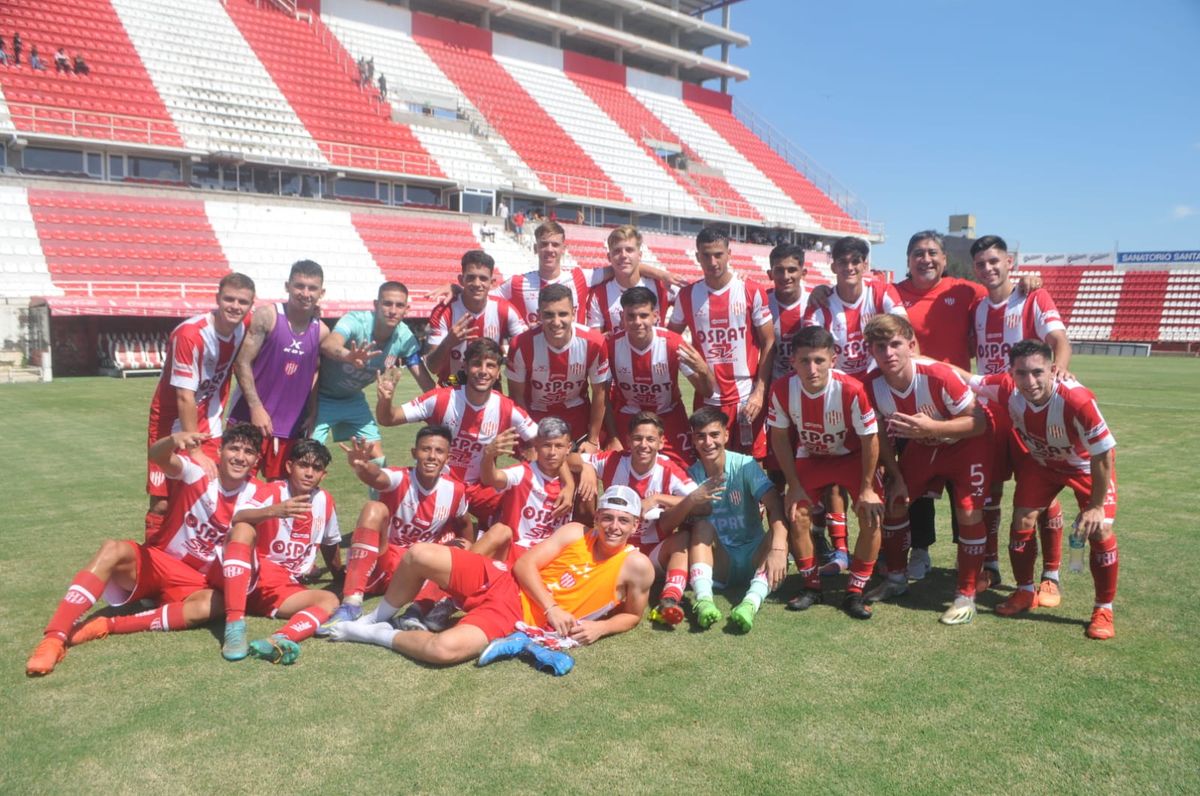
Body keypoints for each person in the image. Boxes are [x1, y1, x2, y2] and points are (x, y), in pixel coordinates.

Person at [327, 486, 655, 675]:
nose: (614, 527)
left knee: (443, 650)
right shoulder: (575, 532)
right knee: (419, 554)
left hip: (516, 617)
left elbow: (632, 615)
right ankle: (376, 617)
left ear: (635, 525)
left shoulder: (637, 566)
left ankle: (373, 634)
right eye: (607, 518)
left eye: (623, 521)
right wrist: (551, 607)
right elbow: (524, 565)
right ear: (596, 518)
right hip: (505, 582)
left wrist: (600, 627)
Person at [25, 424, 264, 676]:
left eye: (248, 452)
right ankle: (53, 639)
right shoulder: (199, 472)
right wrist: (173, 440)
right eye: (234, 448)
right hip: (158, 561)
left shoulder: (262, 493)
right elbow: (157, 456)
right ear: (220, 451)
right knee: (112, 549)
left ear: (256, 460)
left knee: (214, 604)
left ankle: (109, 624)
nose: (240, 457)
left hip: (196, 583)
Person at [969, 340, 1119, 639]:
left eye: (1038, 372)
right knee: (1022, 519)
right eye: (1022, 373)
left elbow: (1103, 455)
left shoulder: (1077, 400)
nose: (1030, 381)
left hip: (1084, 467)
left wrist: (1095, 506)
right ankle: (1025, 591)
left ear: (1053, 369)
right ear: (1011, 373)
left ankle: (1104, 608)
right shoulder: (1006, 389)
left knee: (1100, 529)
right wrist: (914, 358)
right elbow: (963, 377)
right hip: (1043, 465)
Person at [861, 314, 992, 625]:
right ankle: (896, 579)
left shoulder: (938, 375)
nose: (888, 353)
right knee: (895, 500)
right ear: (871, 351)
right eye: (880, 347)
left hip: (966, 446)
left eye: (895, 344)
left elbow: (979, 423)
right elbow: (879, 435)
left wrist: (933, 427)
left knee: (968, 512)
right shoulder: (871, 385)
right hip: (924, 445)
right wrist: (896, 475)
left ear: (911, 346)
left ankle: (966, 595)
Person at [969, 235, 1072, 598]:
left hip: (1030, 414)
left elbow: (1059, 341)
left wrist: (1058, 375)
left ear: (1009, 262)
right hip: (992, 414)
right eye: (981, 264)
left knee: (1043, 493)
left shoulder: (1033, 297)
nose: (988, 268)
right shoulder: (977, 308)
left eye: (994, 261)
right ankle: (991, 567)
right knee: (990, 493)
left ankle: (1051, 575)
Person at [378, 338, 567, 524]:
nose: (483, 371)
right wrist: (385, 401)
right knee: (427, 530)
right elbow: (388, 418)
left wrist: (569, 483)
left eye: (490, 365)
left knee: (516, 508)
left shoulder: (506, 408)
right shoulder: (441, 399)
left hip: (479, 488)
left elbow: (547, 442)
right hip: (439, 484)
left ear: (498, 372)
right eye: (477, 364)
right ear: (466, 367)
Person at [767, 327, 885, 619]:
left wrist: (867, 487)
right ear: (793, 361)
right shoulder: (781, 389)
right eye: (804, 361)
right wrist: (793, 485)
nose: (812, 369)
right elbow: (779, 437)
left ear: (833, 359)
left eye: (819, 360)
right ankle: (811, 586)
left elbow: (870, 438)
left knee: (871, 515)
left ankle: (855, 590)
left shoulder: (851, 389)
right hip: (812, 457)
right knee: (797, 513)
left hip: (851, 458)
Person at [318, 425, 473, 634]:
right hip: (384, 564)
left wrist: (468, 553)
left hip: (418, 571)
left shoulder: (455, 490)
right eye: (425, 449)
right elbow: (377, 477)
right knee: (374, 508)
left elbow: (464, 524)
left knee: (464, 545)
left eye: (439, 451)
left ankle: (418, 610)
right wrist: (362, 466)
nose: (431, 456)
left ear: (448, 457)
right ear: (414, 453)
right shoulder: (400, 477)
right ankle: (351, 604)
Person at [207, 439, 342, 664]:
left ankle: (279, 640)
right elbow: (238, 517)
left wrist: (340, 577)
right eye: (303, 465)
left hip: (284, 587)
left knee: (329, 600)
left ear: (323, 475)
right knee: (243, 529)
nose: (309, 473)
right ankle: (235, 626)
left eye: (316, 468)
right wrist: (275, 511)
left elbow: (330, 543)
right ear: (289, 466)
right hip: (253, 576)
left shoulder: (325, 500)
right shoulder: (272, 490)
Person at [145, 273, 256, 535]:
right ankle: (152, 555)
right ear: (217, 298)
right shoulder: (190, 335)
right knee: (162, 503)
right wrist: (195, 452)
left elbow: (273, 320)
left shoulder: (245, 323)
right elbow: (184, 397)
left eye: (242, 302)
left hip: (210, 422)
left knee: (208, 491)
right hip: (169, 422)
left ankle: (196, 551)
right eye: (229, 299)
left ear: (251, 305)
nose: (235, 306)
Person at [571, 411, 707, 625]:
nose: (644, 445)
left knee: (681, 539)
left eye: (650, 439)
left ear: (661, 442)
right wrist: (585, 467)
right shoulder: (613, 460)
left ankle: (669, 599)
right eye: (638, 438)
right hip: (613, 546)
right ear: (628, 441)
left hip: (652, 549)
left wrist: (658, 499)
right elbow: (568, 458)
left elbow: (703, 504)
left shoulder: (668, 469)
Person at [668, 227, 776, 458]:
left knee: (750, 465)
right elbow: (671, 341)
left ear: (729, 254)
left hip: (746, 396)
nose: (713, 262)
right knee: (710, 463)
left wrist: (760, 391)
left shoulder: (751, 290)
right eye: (706, 255)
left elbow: (769, 341)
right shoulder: (686, 296)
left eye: (718, 254)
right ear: (697, 257)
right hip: (708, 397)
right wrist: (692, 371)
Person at [685, 406, 790, 632]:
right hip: (720, 561)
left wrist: (779, 549)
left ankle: (750, 603)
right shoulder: (690, 474)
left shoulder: (745, 465)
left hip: (755, 555)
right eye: (701, 436)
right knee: (702, 527)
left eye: (714, 435)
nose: (708, 442)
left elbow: (774, 506)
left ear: (726, 435)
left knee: (779, 532)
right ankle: (704, 601)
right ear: (693, 440)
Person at [313, 281, 433, 471]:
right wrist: (348, 355)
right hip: (320, 397)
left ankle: (378, 492)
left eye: (399, 305)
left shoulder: (405, 337)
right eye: (387, 303)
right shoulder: (356, 321)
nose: (393, 310)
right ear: (376, 305)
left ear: (406, 309)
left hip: (352, 399)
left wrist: (444, 404)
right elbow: (328, 344)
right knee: (309, 455)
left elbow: (424, 380)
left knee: (378, 459)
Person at [229, 260, 327, 479]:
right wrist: (256, 407)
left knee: (281, 491)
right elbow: (242, 362)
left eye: (312, 288)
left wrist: (313, 412)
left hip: (290, 427)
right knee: (234, 485)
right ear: (287, 286)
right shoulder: (268, 316)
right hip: (247, 419)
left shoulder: (321, 331)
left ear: (321, 292)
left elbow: (315, 372)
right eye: (299, 286)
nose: (305, 293)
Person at [605, 286, 713, 467]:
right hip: (629, 415)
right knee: (620, 469)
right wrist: (613, 436)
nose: (637, 322)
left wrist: (704, 370)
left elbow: (707, 391)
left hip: (668, 415)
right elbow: (602, 397)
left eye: (643, 315)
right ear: (622, 317)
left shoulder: (673, 344)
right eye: (631, 316)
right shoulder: (610, 346)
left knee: (687, 471)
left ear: (655, 316)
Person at [495, 220, 676, 325]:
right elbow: (487, 300)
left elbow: (623, 266)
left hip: (575, 369)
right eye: (543, 244)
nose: (549, 249)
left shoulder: (579, 277)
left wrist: (662, 275)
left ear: (563, 249)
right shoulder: (517, 283)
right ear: (535, 248)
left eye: (555, 245)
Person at [506, 284, 610, 450]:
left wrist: (592, 440)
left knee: (579, 466)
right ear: (539, 315)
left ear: (574, 313)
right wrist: (529, 438)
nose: (556, 322)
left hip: (576, 414)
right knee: (535, 466)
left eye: (563, 314)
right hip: (534, 417)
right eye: (548, 315)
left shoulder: (594, 342)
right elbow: (516, 396)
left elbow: (600, 393)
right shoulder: (521, 344)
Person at [803, 236, 907, 379]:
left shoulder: (881, 292)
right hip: (837, 383)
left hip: (877, 379)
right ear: (833, 267)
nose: (849, 267)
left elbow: (905, 331)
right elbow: (809, 351)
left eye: (855, 261)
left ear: (865, 265)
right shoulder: (820, 303)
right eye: (843, 262)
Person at [473, 419, 575, 562]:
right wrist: (488, 455)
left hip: (552, 557)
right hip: (517, 552)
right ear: (536, 446)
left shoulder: (573, 477)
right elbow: (490, 478)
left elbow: (582, 462)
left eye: (559, 446)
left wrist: (571, 485)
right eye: (546, 445)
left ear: (568, 448)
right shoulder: (521, 473)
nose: (552, 452)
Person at [425, 250, 525, 387]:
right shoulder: (443, 311)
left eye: (483, 278)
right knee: (452, 382)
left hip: (489, 386)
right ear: (461, 280)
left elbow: (527, 346)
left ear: (492, 282)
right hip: (452, 382)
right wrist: (448, 342)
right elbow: (432, 367)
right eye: (471, 277)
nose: (477, 283)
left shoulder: (505, 310)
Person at [585, 225, 675, 334]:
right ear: (609, 257)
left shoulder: (662, 286)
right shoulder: (599, 295)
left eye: (629, 250)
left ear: (639, 255)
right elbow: (595, 339)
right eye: (617, 251)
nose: (623, 255)